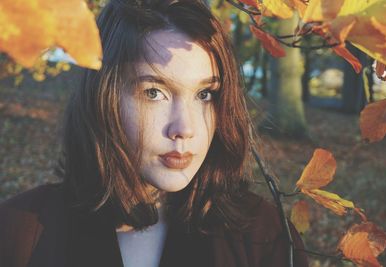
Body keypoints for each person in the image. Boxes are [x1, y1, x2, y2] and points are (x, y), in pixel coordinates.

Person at [0, 0, 309, 266]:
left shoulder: (265, 237)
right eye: (153, 93)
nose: (185, 128)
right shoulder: (18, 231)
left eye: (205, 94)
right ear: (103, 96)